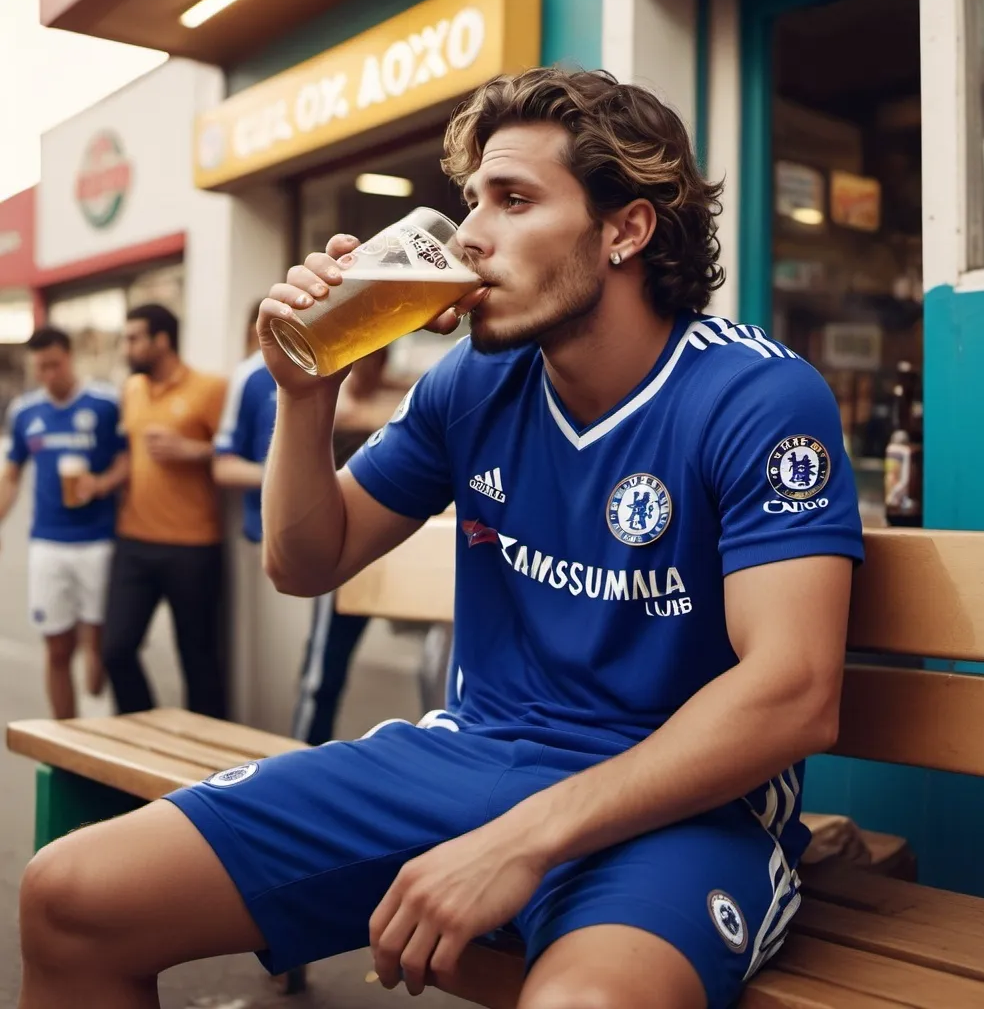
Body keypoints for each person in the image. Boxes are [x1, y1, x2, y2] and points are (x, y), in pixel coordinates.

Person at [18, 69, 863, 1009]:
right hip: (473, 755)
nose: (470, 235)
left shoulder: (755, 395)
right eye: (471, 202)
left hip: (682, 804)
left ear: (626, 229)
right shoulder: (472, 382)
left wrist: (523, 839)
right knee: (70, 897)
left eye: (513, 199)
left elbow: (793, 693)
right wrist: (308, 394)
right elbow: (306, 562)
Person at [213, 304, 378, 745]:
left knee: (321, 667)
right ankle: (292, 757)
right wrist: (290, 483)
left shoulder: (346, 363)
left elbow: (364, 419)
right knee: (296, 674)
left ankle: (299, 754)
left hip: (355, 536)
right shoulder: (251, 377)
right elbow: (223, 465)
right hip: (275, 541)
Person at [102, 303, 228, 719]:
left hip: (192, 547)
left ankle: (210, 765)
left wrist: (194, 451)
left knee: (199, 658)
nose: (127, 347)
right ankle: (145, 731)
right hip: (134, 541)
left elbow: (237, 453)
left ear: (162, 340)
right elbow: (129, 456)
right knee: (115, 649)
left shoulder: (210, 389)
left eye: (134, 338)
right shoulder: (132, 390)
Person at [0, 326, 128, 719]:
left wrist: (102, 483)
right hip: (48, 543)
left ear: (69, 356)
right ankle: (64, 739)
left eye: (54, 365)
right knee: (57, 647)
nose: (48, 375)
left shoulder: (105, 402)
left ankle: (96, 730)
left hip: (98, 541)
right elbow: (12, 474)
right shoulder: (24, 412)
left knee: (99, 644)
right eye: (40, 368)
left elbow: (127, 461)